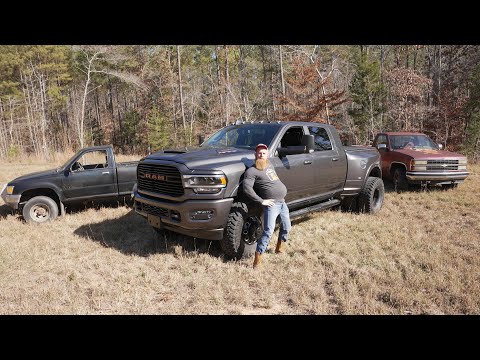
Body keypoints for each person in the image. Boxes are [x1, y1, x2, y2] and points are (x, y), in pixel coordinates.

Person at [243, 143, 291, 269]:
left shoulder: (269, 165)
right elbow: (247, 188)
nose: (261, 155)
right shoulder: (252, 171)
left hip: (282, 202)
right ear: (255, 155)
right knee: (268, 231)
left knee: (286, 226)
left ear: (267, 155)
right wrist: (261, 201)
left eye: (264, 153)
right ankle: (257, 259)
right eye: (259, 153)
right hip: (272, 204)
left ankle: (279, 249)